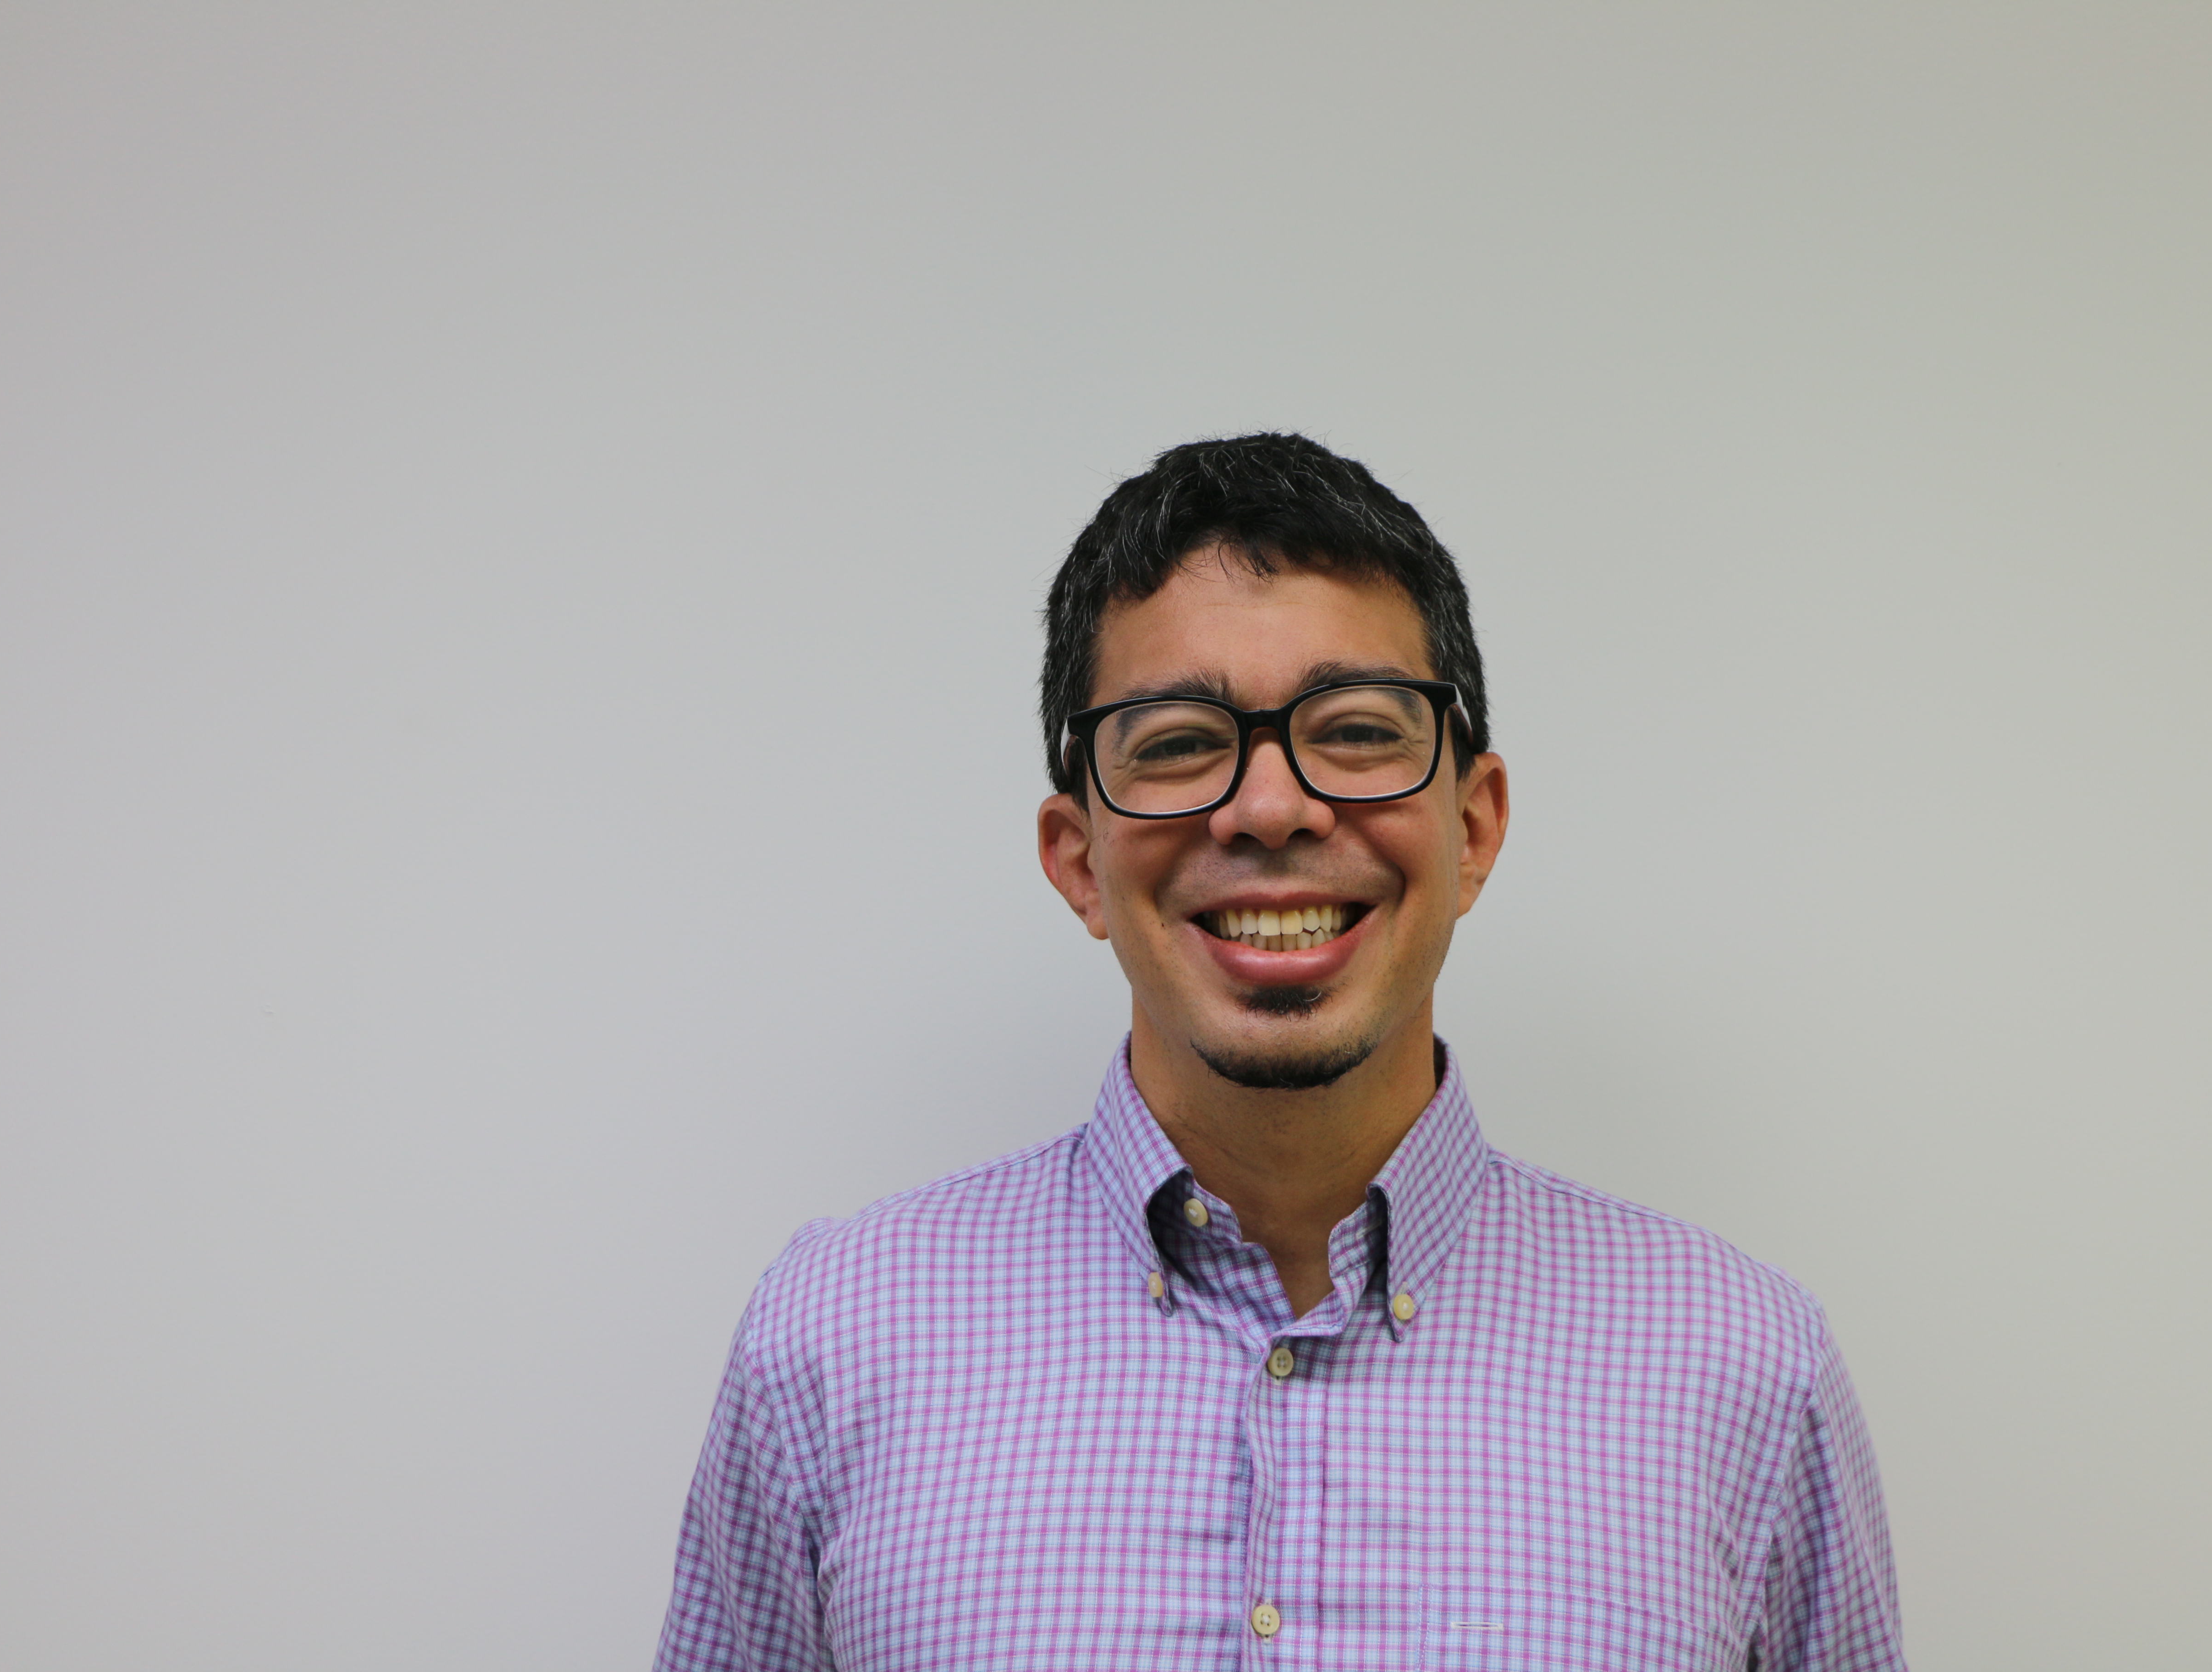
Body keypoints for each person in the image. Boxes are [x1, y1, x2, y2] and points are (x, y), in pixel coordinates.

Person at [652, 434, 1907, 1671]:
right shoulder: (829, 1343)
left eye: (1356, 730)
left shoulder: (1747, 1368)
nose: (1269, 809)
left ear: (1474, 827)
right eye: (1177, 742)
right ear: (1078, 861)